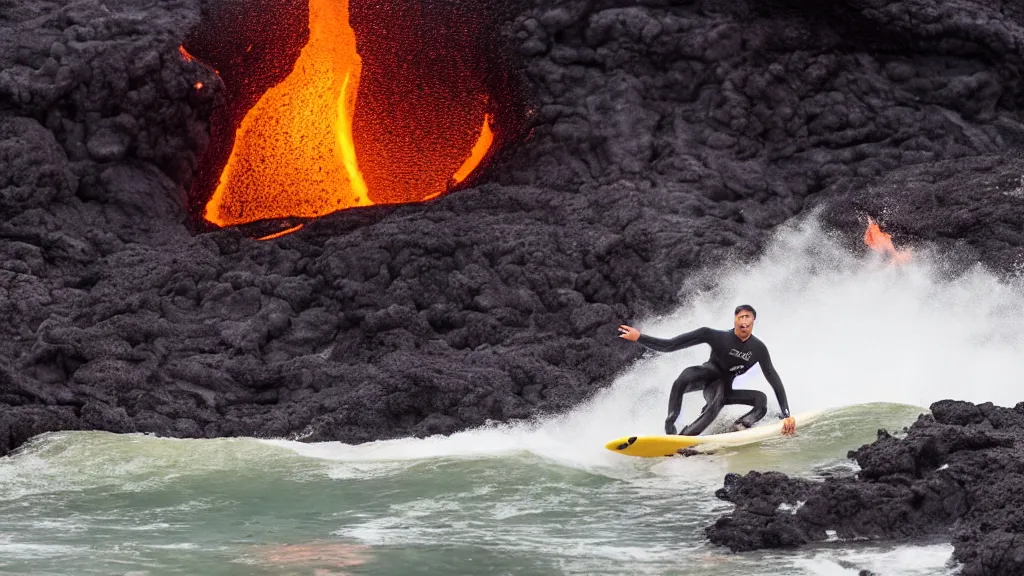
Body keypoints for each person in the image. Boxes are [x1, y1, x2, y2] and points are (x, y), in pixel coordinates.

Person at [618, 305, 796, 437]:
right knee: (685, 376)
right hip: (708, 375)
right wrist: (639, 337)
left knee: (760, 400)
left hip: (725, 387)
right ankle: (671, 425)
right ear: (734, 319)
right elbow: (670, 345)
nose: (743, 322)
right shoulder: (714, 336)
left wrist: (787, 415)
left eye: (747, 318)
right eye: (740, 318)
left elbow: (773, 378)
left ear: (753, 321)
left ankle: (739, 427)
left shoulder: (758, 349)